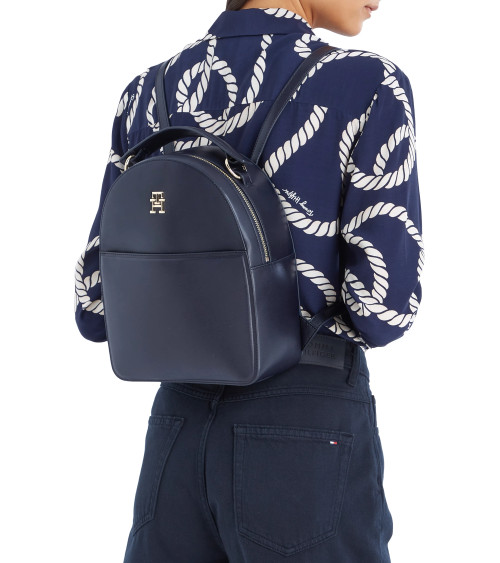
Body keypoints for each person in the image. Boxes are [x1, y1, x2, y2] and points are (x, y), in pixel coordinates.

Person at [74, 0, 423, 561]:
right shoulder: (367, 83)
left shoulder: (147, 93)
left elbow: (95, 307)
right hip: (303, 425)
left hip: (176, 429)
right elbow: (383, 308)